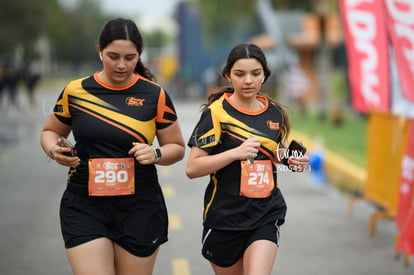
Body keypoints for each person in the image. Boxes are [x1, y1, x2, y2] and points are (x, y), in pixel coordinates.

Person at [40, 18, 185, 275]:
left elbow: (176, 146)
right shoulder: (76, 91)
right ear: (99, 51)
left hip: (139, 206)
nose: (121, 65)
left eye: (130, 57)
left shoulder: (155, 94)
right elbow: (51, 131)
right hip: (85, 204)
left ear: (139, 55)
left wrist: (156, 153)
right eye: (113, 56)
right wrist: (53, 150)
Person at [186, 43, 309, 275]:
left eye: (255, 73)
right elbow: (193, 168)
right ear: (228, 76)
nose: (248, 81)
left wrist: (289, 159)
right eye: (240, 74)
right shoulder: (215, 113)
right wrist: (235, 153)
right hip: (225, 219)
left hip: (265, 213)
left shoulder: (274, 112)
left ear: (265, 76)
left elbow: (270, 151)